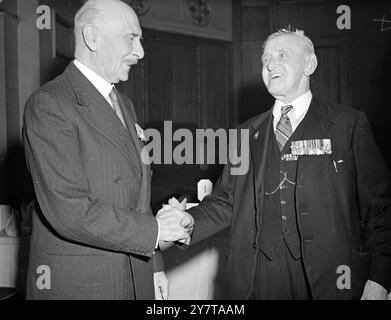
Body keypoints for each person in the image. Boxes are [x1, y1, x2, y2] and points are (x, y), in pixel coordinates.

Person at [163, 27, 391, 299]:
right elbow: (226, 200)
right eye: (265, 59)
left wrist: (380, 279)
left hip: (332, 281)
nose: (270, 63)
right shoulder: (245, 134)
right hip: (261, 279)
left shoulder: (348, 126)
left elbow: (381, 210)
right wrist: (190, 220)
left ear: (310, 64)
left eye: (282, 54)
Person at [23, 0, 192, 300]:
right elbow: (69, 210)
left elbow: (137, 197)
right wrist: (154, 232)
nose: (140, 52)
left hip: (134, 276)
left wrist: (153, 265)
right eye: (131, 38)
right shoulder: (50, 104)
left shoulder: (123, 104)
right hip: (85, 285)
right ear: (92, 37)